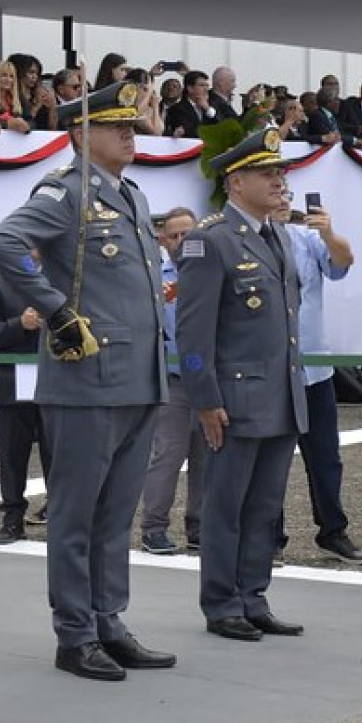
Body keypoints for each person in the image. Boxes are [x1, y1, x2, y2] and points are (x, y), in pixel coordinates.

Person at [0, 80, 177, 681]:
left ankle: (108, 620)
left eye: (131, 123)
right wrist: (56, 310)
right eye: (116, 124)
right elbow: (4, 242)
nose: (130, 132)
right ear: (80, 134)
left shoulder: (135, 197)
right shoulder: (65, 193)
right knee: (76, 513)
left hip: (138, 378)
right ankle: (75, 633)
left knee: (116, 512)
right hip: (87, 378)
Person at [175, 128, 307, 641]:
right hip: (234, 400)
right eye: (268, 173)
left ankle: (253, 595)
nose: (279, 181)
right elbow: (192, 332)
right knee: (225, 508)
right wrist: (205, 399)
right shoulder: (209, 240)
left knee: (264, 508)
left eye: (281, 172)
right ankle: (222, 602)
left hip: (280, 397)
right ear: (236, 181)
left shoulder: (278, 236)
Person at [277, 194, 362, 565]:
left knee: (326, 458)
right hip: (273, 370)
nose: (281, 197)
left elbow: (343, 260)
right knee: (273, 458)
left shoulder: (306, 237)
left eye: (285, 190)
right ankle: (270, 535)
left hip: (314, 367)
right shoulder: (244, 240)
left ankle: (333, 530)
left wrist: (329, 231)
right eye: (273, 187)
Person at [137, 207, 206, 555]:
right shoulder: (152, 276)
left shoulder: (214, 271)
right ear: (162, 239)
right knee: (167, 455)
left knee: (206, 455)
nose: (181, 241)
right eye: (174, 235)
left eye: (187, 234)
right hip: (173, 378)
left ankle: (199, 526)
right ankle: (153, 528)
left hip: (208, 378)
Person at [0, 257, 48, 545]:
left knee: (59, 455)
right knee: (11, 457)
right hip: (12, 380)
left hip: (56, 379)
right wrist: (19, 324)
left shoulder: (61, 279)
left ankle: (60, 516)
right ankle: (12, 520)